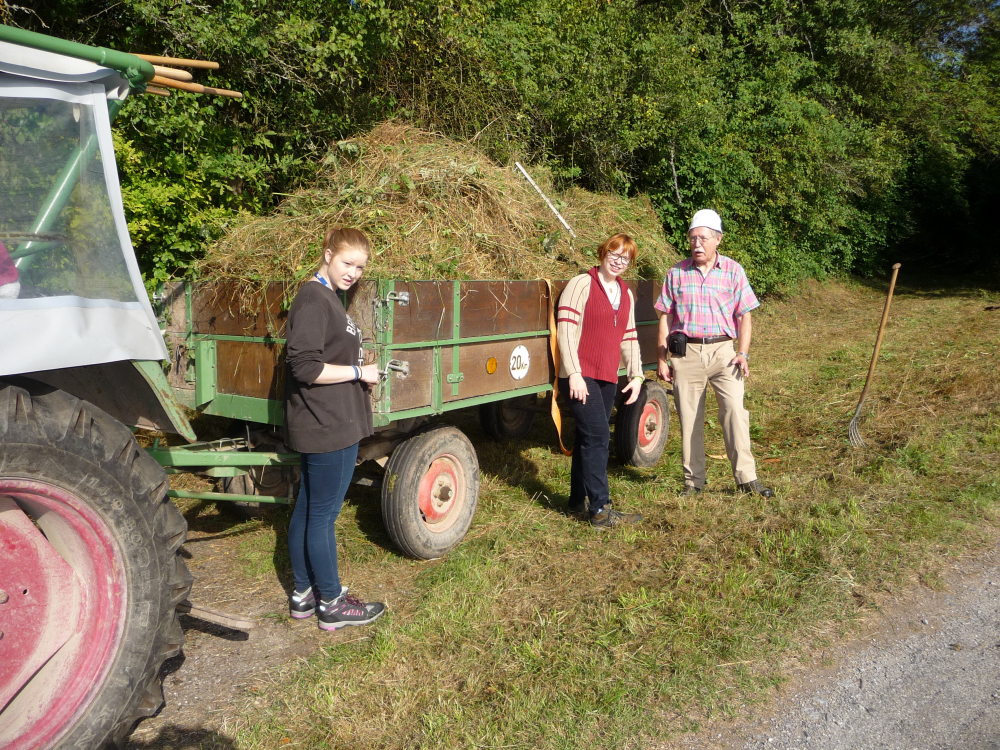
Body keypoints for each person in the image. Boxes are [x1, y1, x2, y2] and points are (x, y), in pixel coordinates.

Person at [283, 226, 386, 630]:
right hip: (328, 424)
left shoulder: (328, 298)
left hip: (327, 421)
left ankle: (303, 595)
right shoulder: (314, 299)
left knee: (309, 509)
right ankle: (332, 602)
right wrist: (360, 370)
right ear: (327, 254)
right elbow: (304, 366)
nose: (353, 273)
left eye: (360, 267)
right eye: (347, 263)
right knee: (322, 516)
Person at [655, 209, 774, 498]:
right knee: (689, 417)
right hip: (687, 353)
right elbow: (664, 317)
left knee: (734, 411)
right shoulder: (676, 273)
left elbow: (745, 316)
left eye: (703, 238)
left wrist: (742, 353)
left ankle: (746, 478)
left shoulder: (734, 271)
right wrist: (662, 358)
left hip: (724, 352)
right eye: (692, 238)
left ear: (717, 240)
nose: (697, 244)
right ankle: (693, 482)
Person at [557, 233, 645, 528]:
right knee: (598, 436)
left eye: (625, 258)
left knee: (587, 436)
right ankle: (600, 509)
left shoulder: (626, 293)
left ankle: (576, 501)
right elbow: (565, 332)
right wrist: (574, 374)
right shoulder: (581, 284)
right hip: (582, 377)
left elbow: (629, 338)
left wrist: (636, 374)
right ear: (602, 252)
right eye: (614, 253)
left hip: (608, 377)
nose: (618, 261)